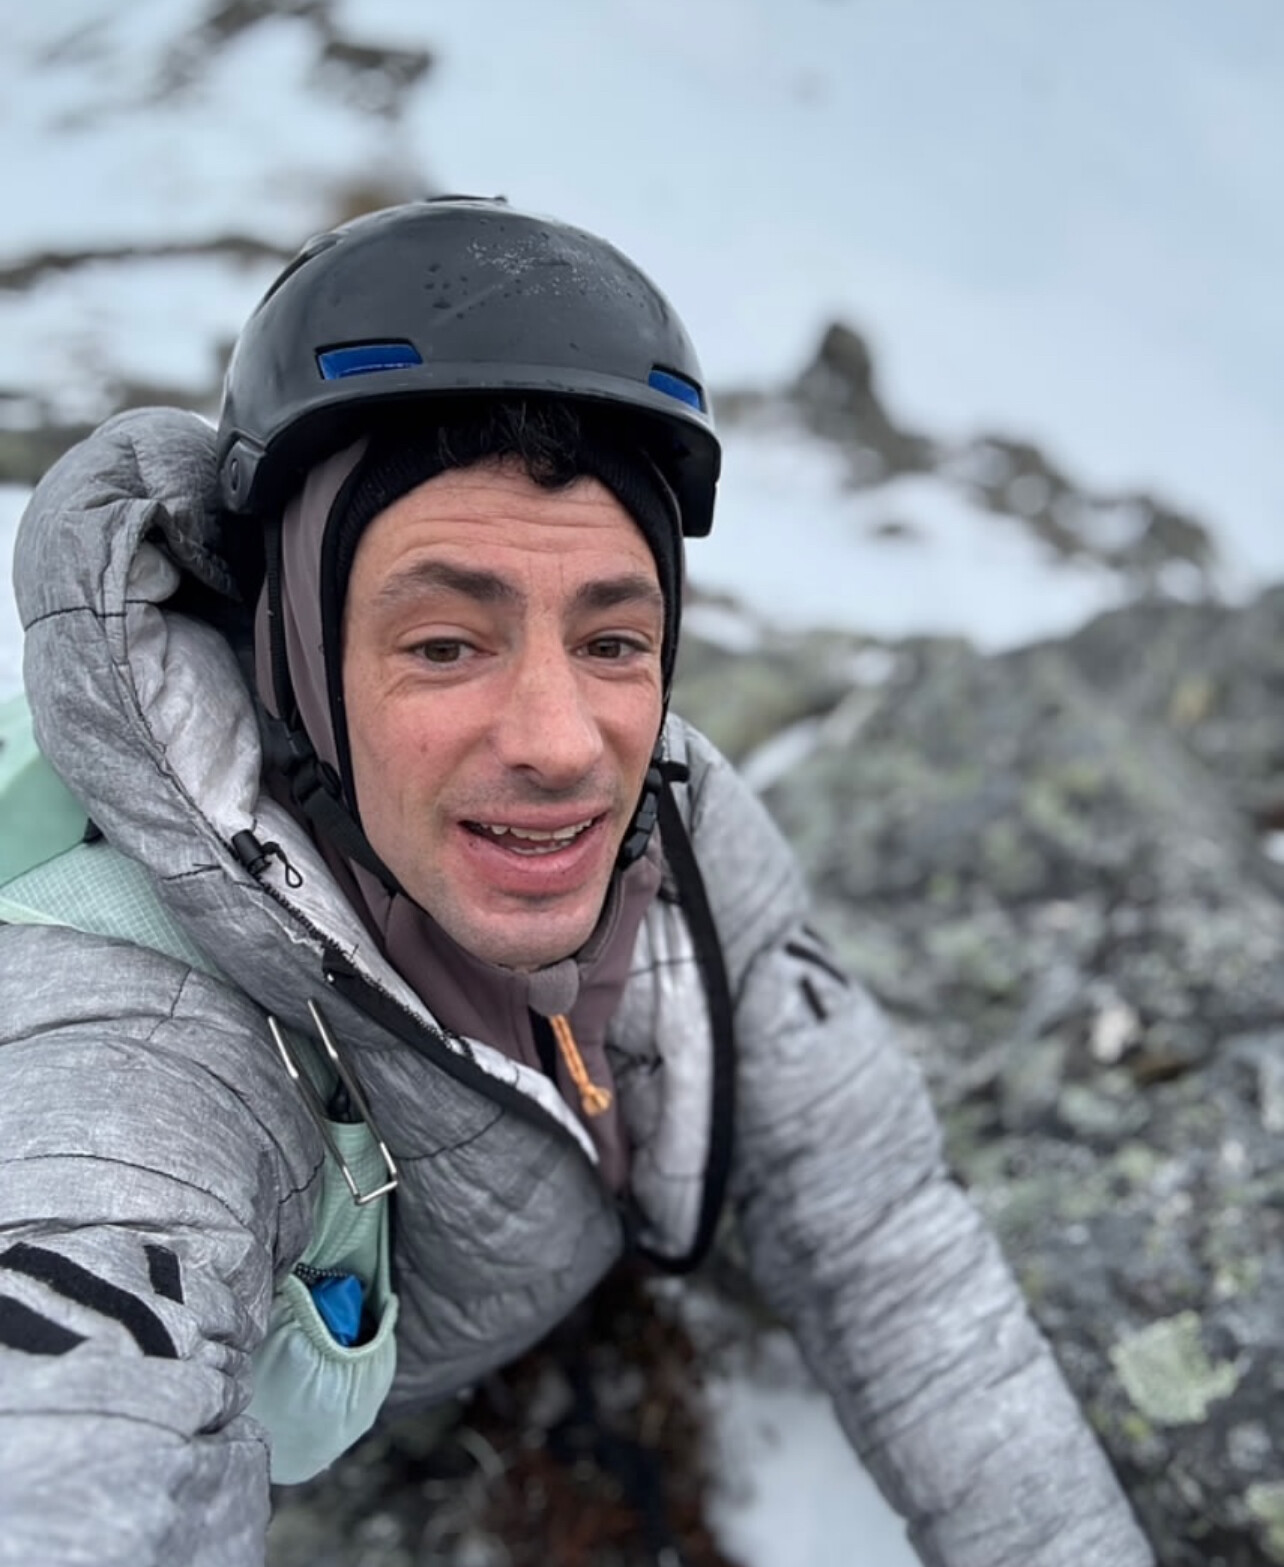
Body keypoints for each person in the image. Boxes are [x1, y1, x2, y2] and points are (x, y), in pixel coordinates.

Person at [0, 196, 1151, 1566]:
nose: (560, 744)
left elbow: (885, 1240)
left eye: (613, 641)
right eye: (444, 644)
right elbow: (68, 1446)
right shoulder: (134, 1034)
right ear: (290, 657)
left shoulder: (680, 823)